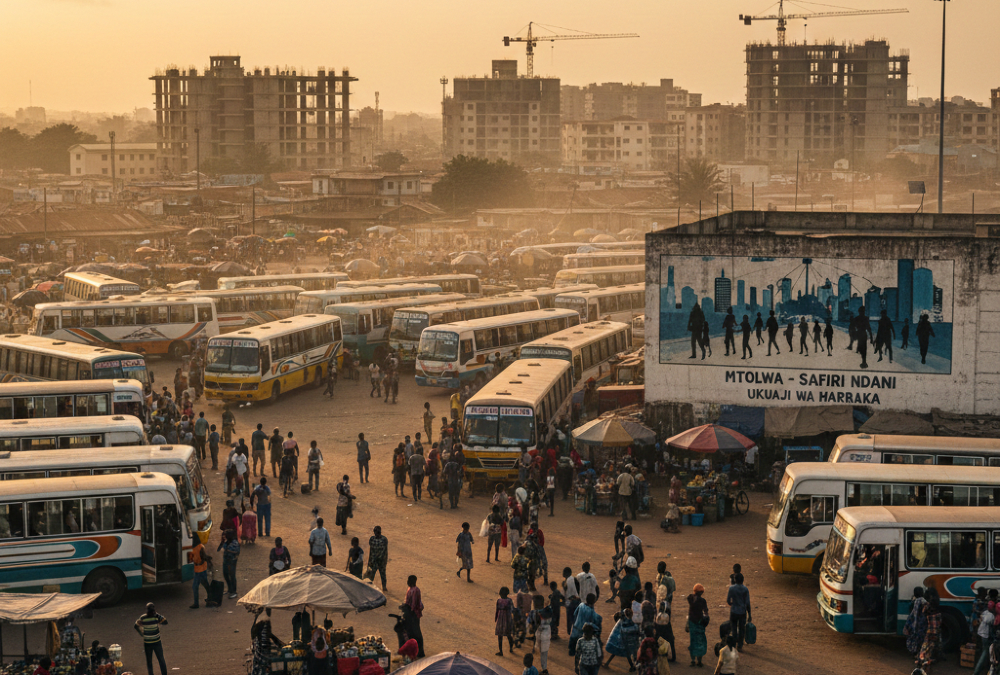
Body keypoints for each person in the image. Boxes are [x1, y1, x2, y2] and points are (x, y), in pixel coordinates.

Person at [134, 603, 168, 675]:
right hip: (157, 642)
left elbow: (135, 626)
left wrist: (142, 633)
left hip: (147, 643)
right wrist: (158, 620)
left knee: (149, 661)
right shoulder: (157, 616)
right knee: (161, 659)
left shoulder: (143, 617)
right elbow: (165, 622)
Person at [726, 573, 751, 651]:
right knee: (741, 629)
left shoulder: (731, 588)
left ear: (735, 580)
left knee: (733, 629)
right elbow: (747, 603)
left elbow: (728, 600)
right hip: (742, 612)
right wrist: (749, 614)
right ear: (743, 580)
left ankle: (733, 644)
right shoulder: (745, 589)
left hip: (733, 611)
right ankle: (740, 645)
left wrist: (732, 604)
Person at [687, 584, 709, 667]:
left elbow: (691, 598)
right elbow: (705, 611)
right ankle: (699, 661)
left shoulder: (690, 598)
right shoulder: (702, 601)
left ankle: (693, 660)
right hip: (699, 623)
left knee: (692, 641)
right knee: (700, 641)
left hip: (692, 622)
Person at [917, 597, 942, 671]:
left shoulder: (927, 611)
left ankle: (921, 661)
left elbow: (923, 613)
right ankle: (927, 663)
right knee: (931, 648)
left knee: (924, 647)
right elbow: (939, 623)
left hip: (929, 632)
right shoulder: (938, 613)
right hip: (936, 633)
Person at [188, 536, 212, 609]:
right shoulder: (201, 546)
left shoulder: (194, 548)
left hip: (199, 569)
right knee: (205, 584)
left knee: (195, 586)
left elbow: (190, 560)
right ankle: (210, 598)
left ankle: (197, 603)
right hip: (201, 568)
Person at [405, 575, 425, 657]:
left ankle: (420, 652)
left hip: (414, 614)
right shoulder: (410, 589)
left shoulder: (415, 590)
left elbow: (413, 604)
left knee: (416, 633)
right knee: (412, 633)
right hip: (411, 614)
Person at [217, 528, 241, 599]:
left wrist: (224, 546)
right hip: (226, 561)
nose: (224, 537)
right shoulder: (227, 542)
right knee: (226, 575)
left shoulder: (234, 543)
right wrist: (222, 542)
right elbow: (218, 550)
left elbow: (231, 550)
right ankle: (230, 589)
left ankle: (234, 591)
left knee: (232, 576)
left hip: (232, 562)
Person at [367, 525, 389, 591]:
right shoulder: (375, 539)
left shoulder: (382, 540)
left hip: (379, 560)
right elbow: (371, 550)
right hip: (377, 560)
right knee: (373, 574)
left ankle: (384, 587)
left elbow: (384, 551)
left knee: (381, 574)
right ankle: (372, 586)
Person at [495, 587, 515, 657]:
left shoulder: (499, 600)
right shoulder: (509, 600)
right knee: (508, 635)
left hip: (501, 619)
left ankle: (501, 651)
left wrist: (496, 618)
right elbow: (512, 609)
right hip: (507, 618)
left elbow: (497, 610)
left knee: (500, 635)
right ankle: (511, 648)